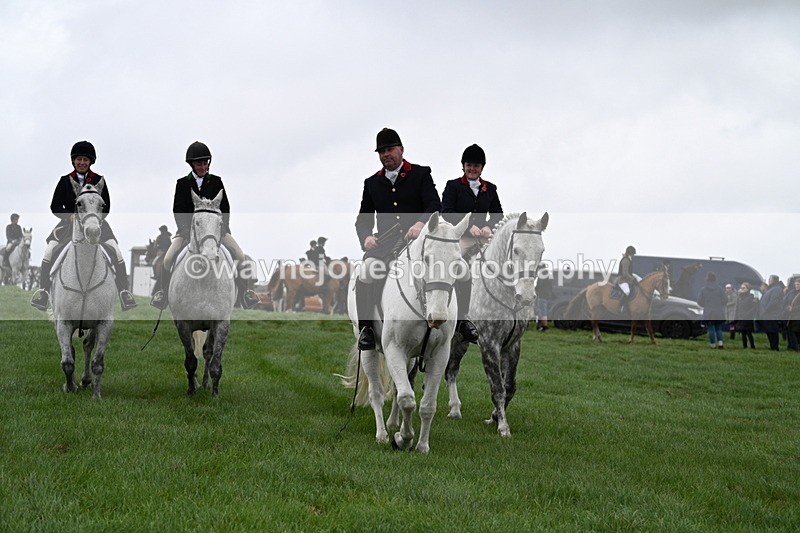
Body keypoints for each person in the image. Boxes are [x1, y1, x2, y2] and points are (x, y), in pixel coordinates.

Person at [354, 127, 451, 350]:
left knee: (450, 268)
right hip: (386, 244)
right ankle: (366, 328)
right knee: (367, 270)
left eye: (389, 149)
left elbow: (434, 205)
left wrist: (420, 223)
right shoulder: (372, 183)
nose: (385, 154)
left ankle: (458, 321)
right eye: (381, 151)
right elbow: (363, 220)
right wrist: (367, 237)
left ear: (401, 150)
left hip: (419, 242)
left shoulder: (420, 174)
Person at [150, 141, 259, 310]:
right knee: (168, 259)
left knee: (239, 255)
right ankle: (163, 293)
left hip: (215, 231)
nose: (203, 166)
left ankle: (244, 294)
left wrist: (224, 227)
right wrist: (185, 229)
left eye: (205, 163)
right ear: (192, 165)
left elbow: (225, 207)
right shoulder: (182, 184)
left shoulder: (216, 181)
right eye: (199, 163)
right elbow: (178, 209)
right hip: (188, 233)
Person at [30, 141, 137, 312]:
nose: (82, 162)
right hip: (68, 225)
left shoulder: (98, 180)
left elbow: (106, 206)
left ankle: (124, 292)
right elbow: (55, 205)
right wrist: (70, 216)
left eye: (85, 160)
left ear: (90, 162)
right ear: (73, 161)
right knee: (50, 250)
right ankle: (43, 292)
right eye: (79, 159)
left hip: (96, 224)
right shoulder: (65, 181)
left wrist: (95, 219)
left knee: (115, 251)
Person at [441, 143, 503, 341]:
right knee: (458, 268)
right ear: (463, 166)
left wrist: (489, 227)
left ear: (482, 167)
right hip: (461, 237)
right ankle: (459, 316)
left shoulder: (490, 188)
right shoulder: (453, 186)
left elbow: (497, 214)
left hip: (483, 237)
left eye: (476, 166)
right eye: (469, 165)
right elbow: (447, 211)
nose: (472, 169)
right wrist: (468, 227)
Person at [697, 271, 727, 349]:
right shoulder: (720, 289)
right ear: (715, 279)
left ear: (707, 279)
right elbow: (725, 300)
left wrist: (706, 305)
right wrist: (720, 304)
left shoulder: (703, 289)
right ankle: (720, 343)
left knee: (711, 329)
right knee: (719, 328)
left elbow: (699, 301)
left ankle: (713, 345)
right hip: (719, 311)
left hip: (708, 312)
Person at [759, 274, 784, 351]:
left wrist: (766, 309)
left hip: (772, 314)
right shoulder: (771, 289)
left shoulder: (776, 289)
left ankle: (775, 347)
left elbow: (774, 301)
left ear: (773, 280)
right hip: (767, 314)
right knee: (769, 331)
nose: (768, 281)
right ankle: (772, 346)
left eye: (769, 279)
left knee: (773, 331)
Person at [614, 245, 638, 313]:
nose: (633, 255)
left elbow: (629, 273)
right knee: (627, 291)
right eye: (633, 254)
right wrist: (633, 279)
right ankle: (620, 306)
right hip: (621, 280)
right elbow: (625, 274)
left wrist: (634, 279)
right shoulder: (625, 260)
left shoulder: (629, 259)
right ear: (630, 253)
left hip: (626, 280)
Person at [734, 282, 757, 349]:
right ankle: (745, 346)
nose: (742, 289)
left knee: (748, 332)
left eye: (743, 288)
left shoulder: (750, 297)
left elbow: (753, 308)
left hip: (747, 318)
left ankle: (752, 346)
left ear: (748, 289)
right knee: (743, 333)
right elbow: (737, 308)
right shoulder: (740, 297)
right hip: (741, 317)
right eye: (741, 288)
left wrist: (748, 314)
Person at [783, 277, 800, 351]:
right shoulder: (792, 292)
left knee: (797, 332)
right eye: (796, 284)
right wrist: (788, 307)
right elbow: (786, 301)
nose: (797, 286)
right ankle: (793, 346)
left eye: (798, 284)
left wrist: (793, 309)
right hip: (791, 315)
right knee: (792, 331)